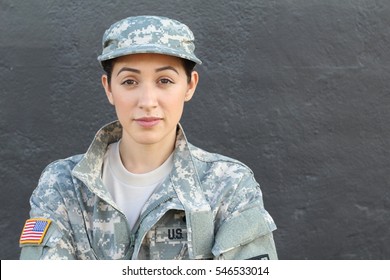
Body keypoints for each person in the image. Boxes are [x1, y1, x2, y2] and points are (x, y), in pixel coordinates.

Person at [19, 15, 277, 260]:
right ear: (109, 88)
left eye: (164, 80)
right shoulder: (63, 186)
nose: (147, 102)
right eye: (130, 82)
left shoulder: (227, 186)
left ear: (190, 85)